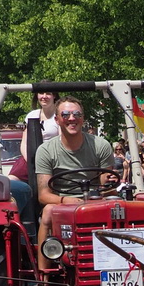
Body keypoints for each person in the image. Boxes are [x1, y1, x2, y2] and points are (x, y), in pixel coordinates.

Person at [33, 97, 117, 261]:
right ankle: (44, 277)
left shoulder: (101, 146)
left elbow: (107, 187)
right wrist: (66, 200)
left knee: (121, 208)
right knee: (48, 211)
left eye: (76, 114)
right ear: (57, 120)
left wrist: (109, 185)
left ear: (83, 118)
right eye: (65, 114)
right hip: (62, 203)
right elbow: (43, 196)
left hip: (95, 200)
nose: (72, 119)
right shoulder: (46, 151)